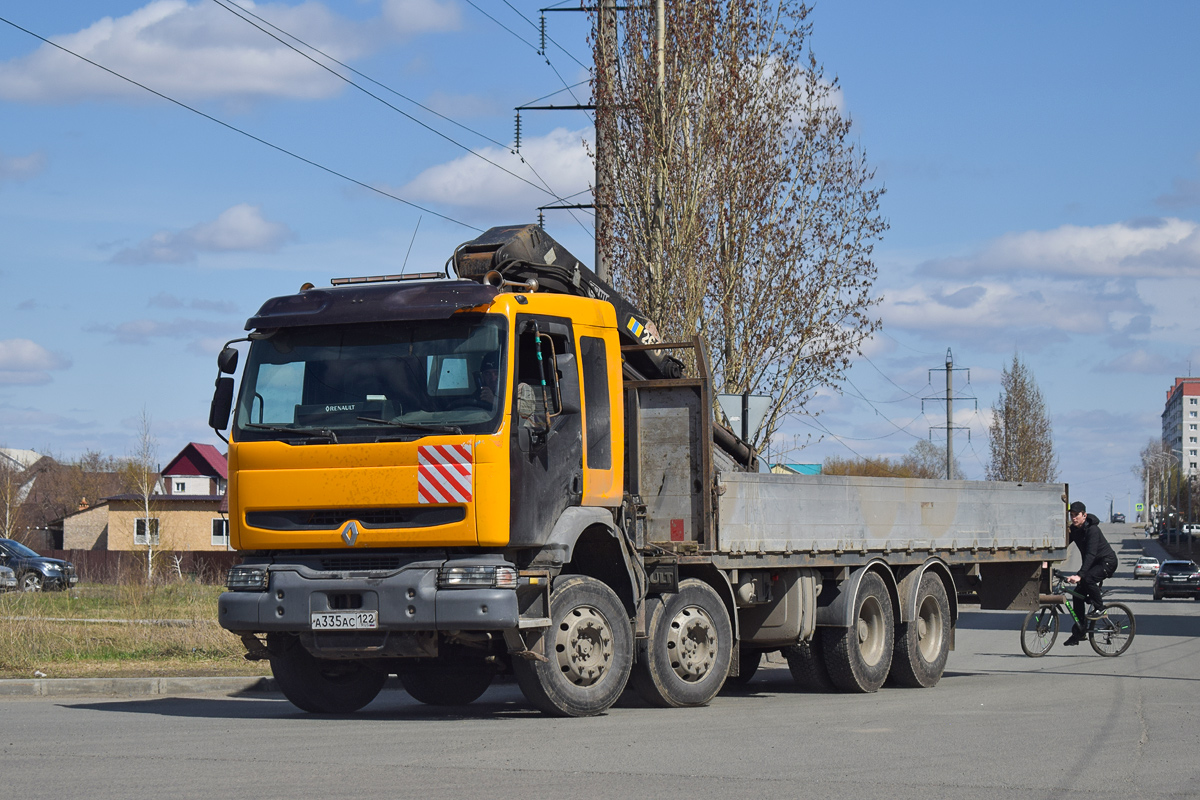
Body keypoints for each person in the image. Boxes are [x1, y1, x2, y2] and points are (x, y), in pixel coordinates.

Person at [1063, 501, 1118, 646]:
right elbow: (1063, 546)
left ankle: (1100, 608)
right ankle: (1079, 633)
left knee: (1087, 579)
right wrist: (1048, 560)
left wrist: (1080, 575)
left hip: (1107, 562)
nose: (1073, 518)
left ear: (1084, 515)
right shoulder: (1075, 530)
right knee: (1077, 595)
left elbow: (1091, 555)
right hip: (1093, 565)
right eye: (1071, 515)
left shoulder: (1092, 530)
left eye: (1076, 515)